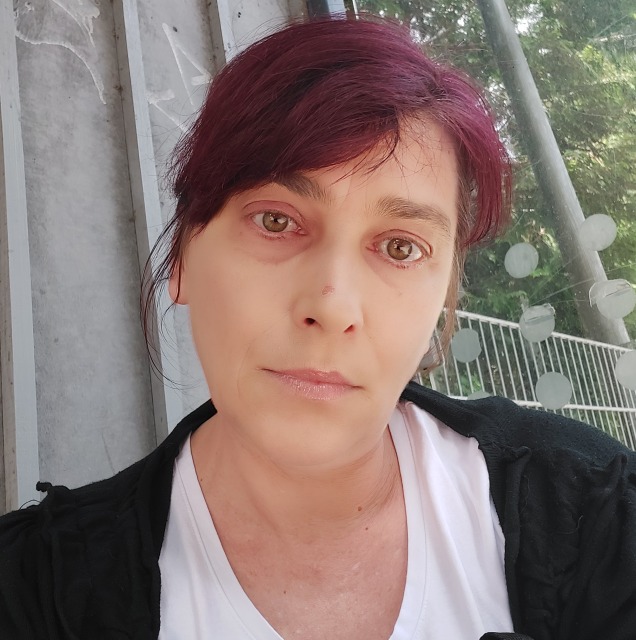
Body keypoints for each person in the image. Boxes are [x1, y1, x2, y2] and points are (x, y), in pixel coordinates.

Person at [1, 14, 635, 640]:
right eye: (276, 221)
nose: (333, 306)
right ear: (184, 260)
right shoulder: (34, 590)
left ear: (443, 295)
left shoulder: (596, 513)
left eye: (400, 247)